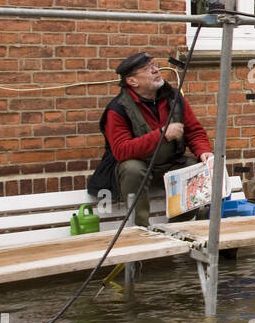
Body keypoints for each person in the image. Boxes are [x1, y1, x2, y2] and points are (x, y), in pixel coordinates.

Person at [87, 52, 215, 227]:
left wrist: (203, 151)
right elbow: (121, 150)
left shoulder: (174, 97)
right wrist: (162, 135)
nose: (156, 70)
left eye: (154, 65)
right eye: (147, 68)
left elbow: (194, 131)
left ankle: (175, 228)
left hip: (170, 165)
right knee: (132, 168)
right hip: (139, 169)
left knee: (196, 169)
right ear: (132, 81)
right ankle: (141, 231)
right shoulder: (117, 109)